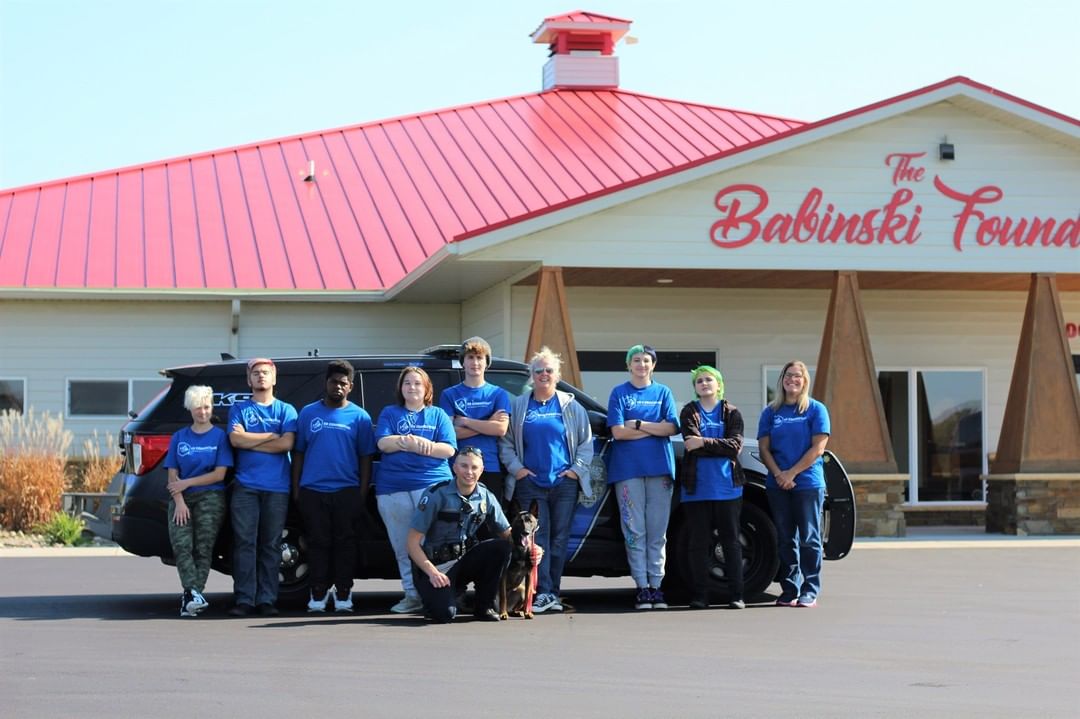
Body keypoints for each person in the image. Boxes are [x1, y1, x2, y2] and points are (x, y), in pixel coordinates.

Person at [500, 346, 593, 614]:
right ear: (531, 375)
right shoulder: (519, 405)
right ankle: (538, 593)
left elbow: (586, 442)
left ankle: (551, 592)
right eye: (538, 370)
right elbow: (505, 443)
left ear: (557, 374)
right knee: (537, 538)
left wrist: (576, 470)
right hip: (530, 482)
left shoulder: (570, 405)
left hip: (564, 483)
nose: (543, 374)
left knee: (560, 539)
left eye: (549, 370)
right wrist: (517, 469)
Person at [291, 360, 376, 613]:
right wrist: (296, 489)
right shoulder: (308, 413)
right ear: (325, 384)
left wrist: (360, 493)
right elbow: (298, 454)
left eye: (343, 383)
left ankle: (343, 593)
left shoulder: (360, 417)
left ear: (350, 387)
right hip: (312, 491)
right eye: (333, 381)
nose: (337, 386)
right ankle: (318, 593)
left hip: (346, 491)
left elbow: (366, 458)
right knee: (317, 543)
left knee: (345, 544)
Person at [375, 366, 457, 614]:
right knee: (402, 545)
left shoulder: (438, 415)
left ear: (427, 388)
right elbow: (382, 443)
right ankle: (412, 595)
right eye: (407, 383)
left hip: (433, 486)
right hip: (394, 488)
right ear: (401, 388)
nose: (412, 387)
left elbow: (449, 449)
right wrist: (406, 442)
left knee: (435, 544)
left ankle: (440, 594)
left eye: (417, 383)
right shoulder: (390, 413)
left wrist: (425, 446)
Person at [606, 344, 679, 610]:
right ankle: (642, 587)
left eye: (646, 360)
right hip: (627, 470)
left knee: (657, 532)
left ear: (653, 365)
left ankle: (656, 586)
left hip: (659, 468)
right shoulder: (619, 393)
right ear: (629, 365)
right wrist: (654, 430)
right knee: (634, 531)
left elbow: (672, 426)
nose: (641, 364)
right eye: (636, 360)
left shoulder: (663, 393)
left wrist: (637, 424)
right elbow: (617, 432)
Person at [406, 447, 515, 622]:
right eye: (464, 466)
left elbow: (507, 534)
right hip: (436, 566)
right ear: (454, 468)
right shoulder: (436, 495)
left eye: (474, 467)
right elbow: (412, 543)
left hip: (463, 561)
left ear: (482, 470)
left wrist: (533, 549)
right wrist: (432, 573)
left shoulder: (486, 496)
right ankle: (438, 598)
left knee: (501, 548)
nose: (469, 472)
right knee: (444, 615)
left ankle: (484, 606)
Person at [757, 360, 831, 608]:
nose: (792, 380)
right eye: (788, 376)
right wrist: (779, 474)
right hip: (777, 483)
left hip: (808, 483)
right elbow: (764, 448)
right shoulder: (770, 412)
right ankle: (790, 588)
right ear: (782, 380)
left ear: (804, 380)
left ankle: (810, 589)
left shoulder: (815, 409)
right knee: (785, 538)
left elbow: (818, 447)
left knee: (809, 538)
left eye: (797, 376)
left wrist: (792, 473)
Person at [227, 358, 297, 617]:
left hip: (277, 488)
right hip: (245, 487)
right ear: (249, 379)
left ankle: (267, 599)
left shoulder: (286, 410)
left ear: (274, 378)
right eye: (255, 373)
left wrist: (251, 440)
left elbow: (287, 444)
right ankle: (244, 599)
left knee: (271, 544)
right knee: (245, 543)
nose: (261, 377)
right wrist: (270, 436)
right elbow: (235, 439)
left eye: (265, 373)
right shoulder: (240, 409)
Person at [679, 366, 746, 610]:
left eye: (709, 379)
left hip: (728, 488)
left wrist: (704, 442)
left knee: (731, 542)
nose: (704, 383)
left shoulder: (732, 412)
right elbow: (689, 445)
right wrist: (718, 445)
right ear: (695, 387)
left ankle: (736, 594)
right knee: (698, 543)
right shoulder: (689, 411)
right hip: (696, 488)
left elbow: (734, 446)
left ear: (719, 384)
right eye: (699, 381)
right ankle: (700, 595)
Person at [163, 384, 233, 617]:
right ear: (189, 409)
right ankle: (193, 595)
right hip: (182, 499)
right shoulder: (180, 437)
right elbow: (172, 474)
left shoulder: (219, 437)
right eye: (197, 408)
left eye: (205, 407)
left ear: (211, 408)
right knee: (182, 546)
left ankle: (191, 595)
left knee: (203, 548)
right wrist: (180, 500)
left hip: (211, 496)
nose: (202, 412)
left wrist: (188, 483)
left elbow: (219, 474)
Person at [438, 336, 511, 503]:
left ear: (487, 362)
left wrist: (465, 421)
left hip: (489, 466)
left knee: (487, 523)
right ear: (463, 362)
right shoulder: (449, 394)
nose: (475, 362)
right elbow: (449, 434)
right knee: (457, 522)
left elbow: (500, 429)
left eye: (480, 358)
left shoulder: (498, 394)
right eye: (470, 357)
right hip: (457, 467)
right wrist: (487, 423)